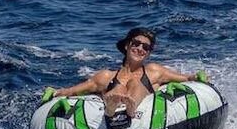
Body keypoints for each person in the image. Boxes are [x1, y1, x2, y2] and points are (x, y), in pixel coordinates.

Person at [48, 28, 207, 123]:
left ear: (148, 53)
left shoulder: (154, 71)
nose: (140, 49)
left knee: (135, 83)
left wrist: (197, 77)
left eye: (145, 47)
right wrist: (54, 93)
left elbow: (185, 78)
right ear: (127, 46)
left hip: (137, 110)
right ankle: (111, 107)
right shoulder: (106, 76)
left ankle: (130, 107)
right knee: (118, 88)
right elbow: (73, 91)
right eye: (136, 44)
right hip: (111, 104)